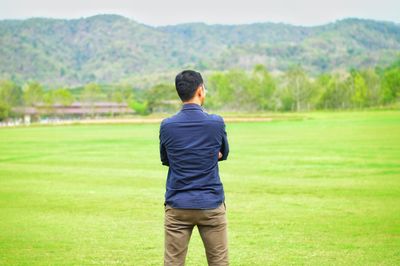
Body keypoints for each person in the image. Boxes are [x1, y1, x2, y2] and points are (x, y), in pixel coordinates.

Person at [159, 70, 230, 265]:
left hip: (178, 205)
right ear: (200, 91)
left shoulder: (167, 125)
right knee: (219, 262)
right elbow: (224, 154)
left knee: (173, 262)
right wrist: (208, 155)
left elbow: (166, 159)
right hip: (211, 203)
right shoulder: (215, 123)